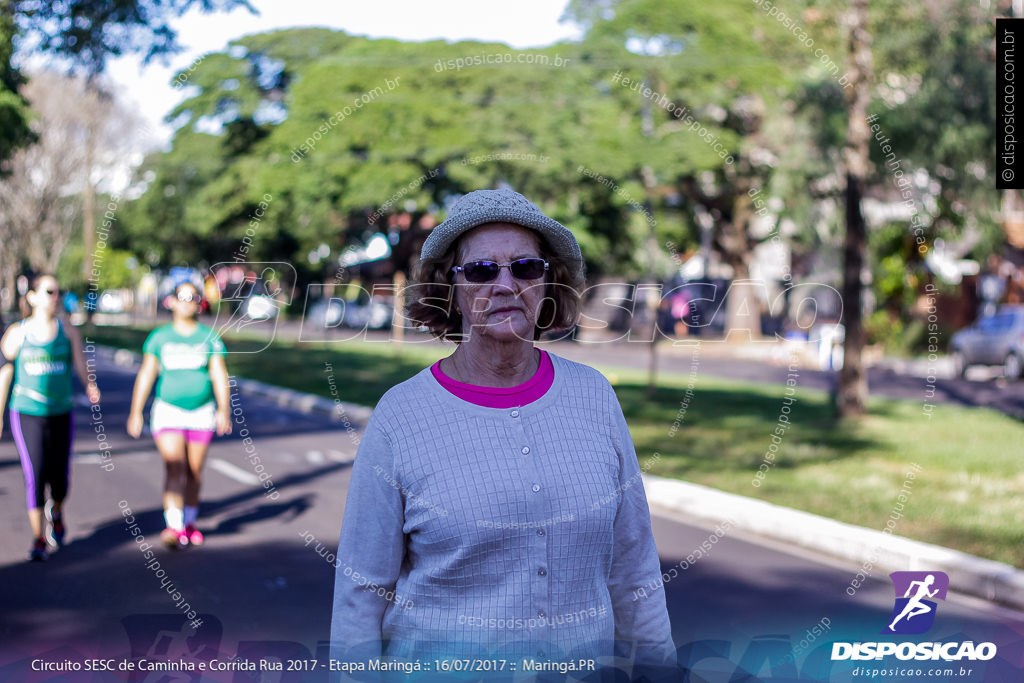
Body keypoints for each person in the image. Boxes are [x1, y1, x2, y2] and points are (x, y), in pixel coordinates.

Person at [330, 190, 676, 674]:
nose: (506, 284)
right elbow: (359, 597)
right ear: (449, 289)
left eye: (526, 267)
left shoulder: (595, 397)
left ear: (548, 280)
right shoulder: (401, 416)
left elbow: (634, 570)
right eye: (481, 271)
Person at [0, 274, 101, 561]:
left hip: (61, 412)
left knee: (60, 480)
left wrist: (90, 385)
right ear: (31, 296)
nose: (55, 296)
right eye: (49, 291)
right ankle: (38, 539)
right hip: (27, 413)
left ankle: (56, 512)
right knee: (35, 474)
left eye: (58, 291)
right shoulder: (17, 334)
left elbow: (81, 365)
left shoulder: (67, 331)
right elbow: (4, 374)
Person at [127, 281, 231, 549]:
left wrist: (224, 409)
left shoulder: (209, 337)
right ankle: (174, 526)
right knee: (175, 466)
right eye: (181, 296)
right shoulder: (160, 337)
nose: (186, 301)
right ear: (171, 301)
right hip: (168, 410)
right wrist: (136, 411)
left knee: (194, 472)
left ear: (200, 302)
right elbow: (147, 373)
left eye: (192, 297)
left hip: (201, 412)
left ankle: (190, 522)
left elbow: (219, 374)